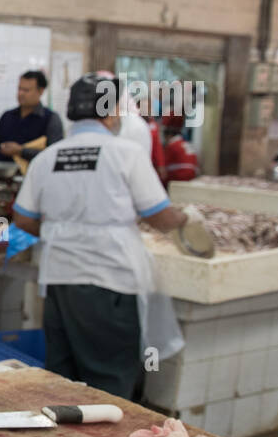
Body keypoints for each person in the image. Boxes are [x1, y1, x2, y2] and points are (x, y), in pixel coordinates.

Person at [12, 73, 190, 401]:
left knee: (61, 381)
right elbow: (160, 217)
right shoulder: (126, 153)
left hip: (59, 282)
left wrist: (58, 232)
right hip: (112, 282)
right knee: (109, 382)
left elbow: (22, 218)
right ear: (111, 112)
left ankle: (61, 433)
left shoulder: (47, 157)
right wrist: (186, 218)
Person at [0, 70, 63, 165]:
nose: (20, 93)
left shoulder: (50, 119)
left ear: (41, 91)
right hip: (2, 173)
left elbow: (54, 155)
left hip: (32, 174)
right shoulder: (7, 116)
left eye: (26, 90)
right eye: (19, 89)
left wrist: (21, 151)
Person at [161, 113, 199, 182]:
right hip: (192, 176)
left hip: (179, 176)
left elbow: (162, 166)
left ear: (169, 135)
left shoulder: (172, 145)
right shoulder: (185, 143)